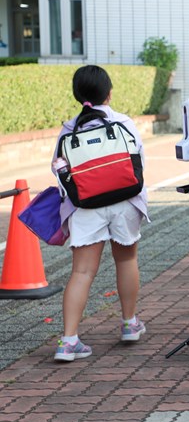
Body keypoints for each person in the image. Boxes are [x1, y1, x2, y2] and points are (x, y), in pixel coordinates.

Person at [52, 66, 149, 362]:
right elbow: (139, 162)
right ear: (109, 93)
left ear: (77, 95)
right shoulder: (123, 122)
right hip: (123, 202)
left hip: (86, 207)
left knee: (81, 272)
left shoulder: (68, 130)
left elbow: (58, 172)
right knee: (127, 259)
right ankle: (130, 324)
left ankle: (68, 341)